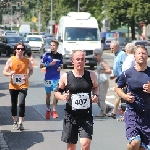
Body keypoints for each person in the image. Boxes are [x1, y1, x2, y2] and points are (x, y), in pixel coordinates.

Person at [54, 50, 98, 150]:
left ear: (85, 61)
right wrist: (62, 97)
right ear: (72, 61)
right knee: (71, 147)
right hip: (71, 116)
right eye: (77, 59)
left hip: (86, 116)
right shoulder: (66, 76)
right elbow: (57, 92)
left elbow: (95, 87)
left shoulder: (91, 75)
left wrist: (96, 95)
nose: (80, 62)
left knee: (85, 145)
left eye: (82, 59)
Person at [115, 45, 150, 150]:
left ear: (147, 56)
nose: (141, 55)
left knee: (143, 148)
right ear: (134, 56)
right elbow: (117, 88)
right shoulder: (128, 73)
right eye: (139, 53)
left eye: (143, 53)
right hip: (132, 112)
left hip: (147, 113)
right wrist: (125, 96)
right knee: (135, 142)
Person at [3, 42, 33, 130]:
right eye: (18, 49)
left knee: (21, 103)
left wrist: (28, 75)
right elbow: (4, 72)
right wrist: (10, 73)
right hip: (13, 85)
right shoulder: (11, 59)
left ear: (24, 50)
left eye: (22, 49)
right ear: (15, 50)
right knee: (13, 104)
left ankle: (20, 123)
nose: (20, 50)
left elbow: (31, 70)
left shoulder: (27, 60)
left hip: (23, 84)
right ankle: (15, 121)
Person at [40, 40, 63, 119]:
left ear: (57, 47)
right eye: (51, 45)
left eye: (54, 45)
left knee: (56, 94)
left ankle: (54, 110)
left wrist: (60, 67)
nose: (52, 47)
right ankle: (48, 109)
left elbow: (62, 64)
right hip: (48, 78)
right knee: (48, 95)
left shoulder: (60, 55)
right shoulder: (47, 55)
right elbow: (41, 65)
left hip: (56, 78)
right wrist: (48, 64)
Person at [107, 40, 126, 119]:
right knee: (119, 96)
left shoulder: (122, 54)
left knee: (121, 96)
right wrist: (114, 74)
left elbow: (125, 67)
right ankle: (115, 112)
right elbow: (117, 67)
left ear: (117, 47)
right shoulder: (116, 55)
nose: (111, 50)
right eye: (110, 48)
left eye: (112, 48)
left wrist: (124, 78)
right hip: (118, 78)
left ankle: (119, 113)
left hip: (123, 78)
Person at [117, 43, 136, 121]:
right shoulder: (130, 58)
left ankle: (126, 115)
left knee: (127, 98)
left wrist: (125, 81)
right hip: (127, 81)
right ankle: (126, 115)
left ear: (127, 50)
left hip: (128, 81)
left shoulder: (130, 58)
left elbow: (127, 71)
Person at [94, 48, 112, 117]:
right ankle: (106, 107)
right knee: (97, 98)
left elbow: (109, 71)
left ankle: (102, 112)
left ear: (100, 55)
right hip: (99, 82)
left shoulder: (103, 62)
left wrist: (102, 71)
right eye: (94, 54)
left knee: (101, 98)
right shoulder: (98, 62)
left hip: (103, 82)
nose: (95, 56)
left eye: (96, 54)